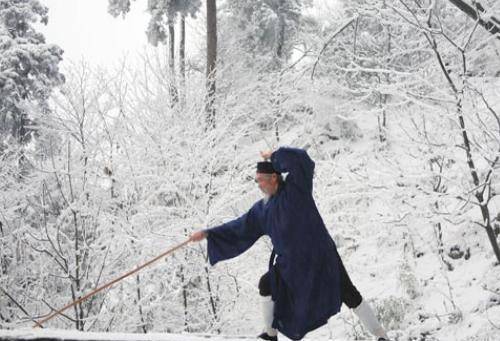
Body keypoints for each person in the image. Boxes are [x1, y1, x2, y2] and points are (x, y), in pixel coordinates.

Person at [190, 147, 389, 341]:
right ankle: (270, 334)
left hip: (321, 258)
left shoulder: (297, 190)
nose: (258, 185)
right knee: (266, 284)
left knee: (349, 293)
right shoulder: (262, 210)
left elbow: (302, 160)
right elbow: (239, 227)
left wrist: (275, 155)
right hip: (292, 266)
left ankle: (381, 336)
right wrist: (208, 233)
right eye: (256, 181)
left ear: (274, 178)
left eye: (260, 180)